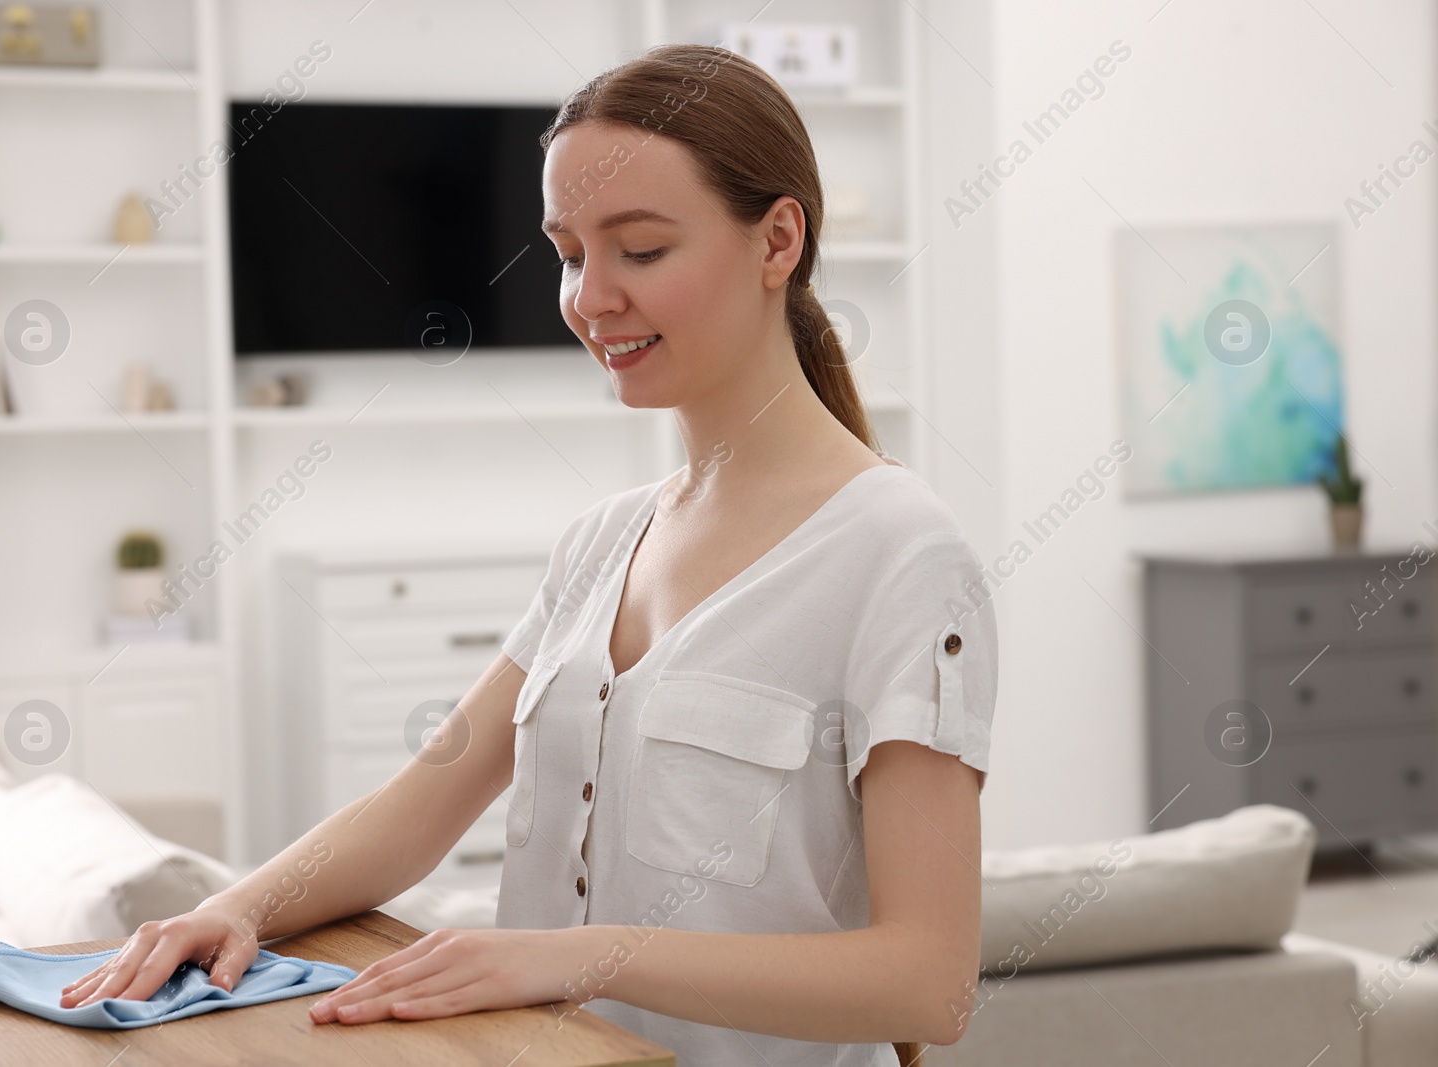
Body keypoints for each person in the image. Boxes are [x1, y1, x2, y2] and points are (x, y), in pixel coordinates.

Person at [59, 42, 996, 1065]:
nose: (590, 299)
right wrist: (233, 906)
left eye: (639, 251)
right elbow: (422, 806)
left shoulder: (900, 555)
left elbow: (928, 980)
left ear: (777, 240)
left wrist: (577, 956)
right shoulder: (601, 540)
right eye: (567, 252)